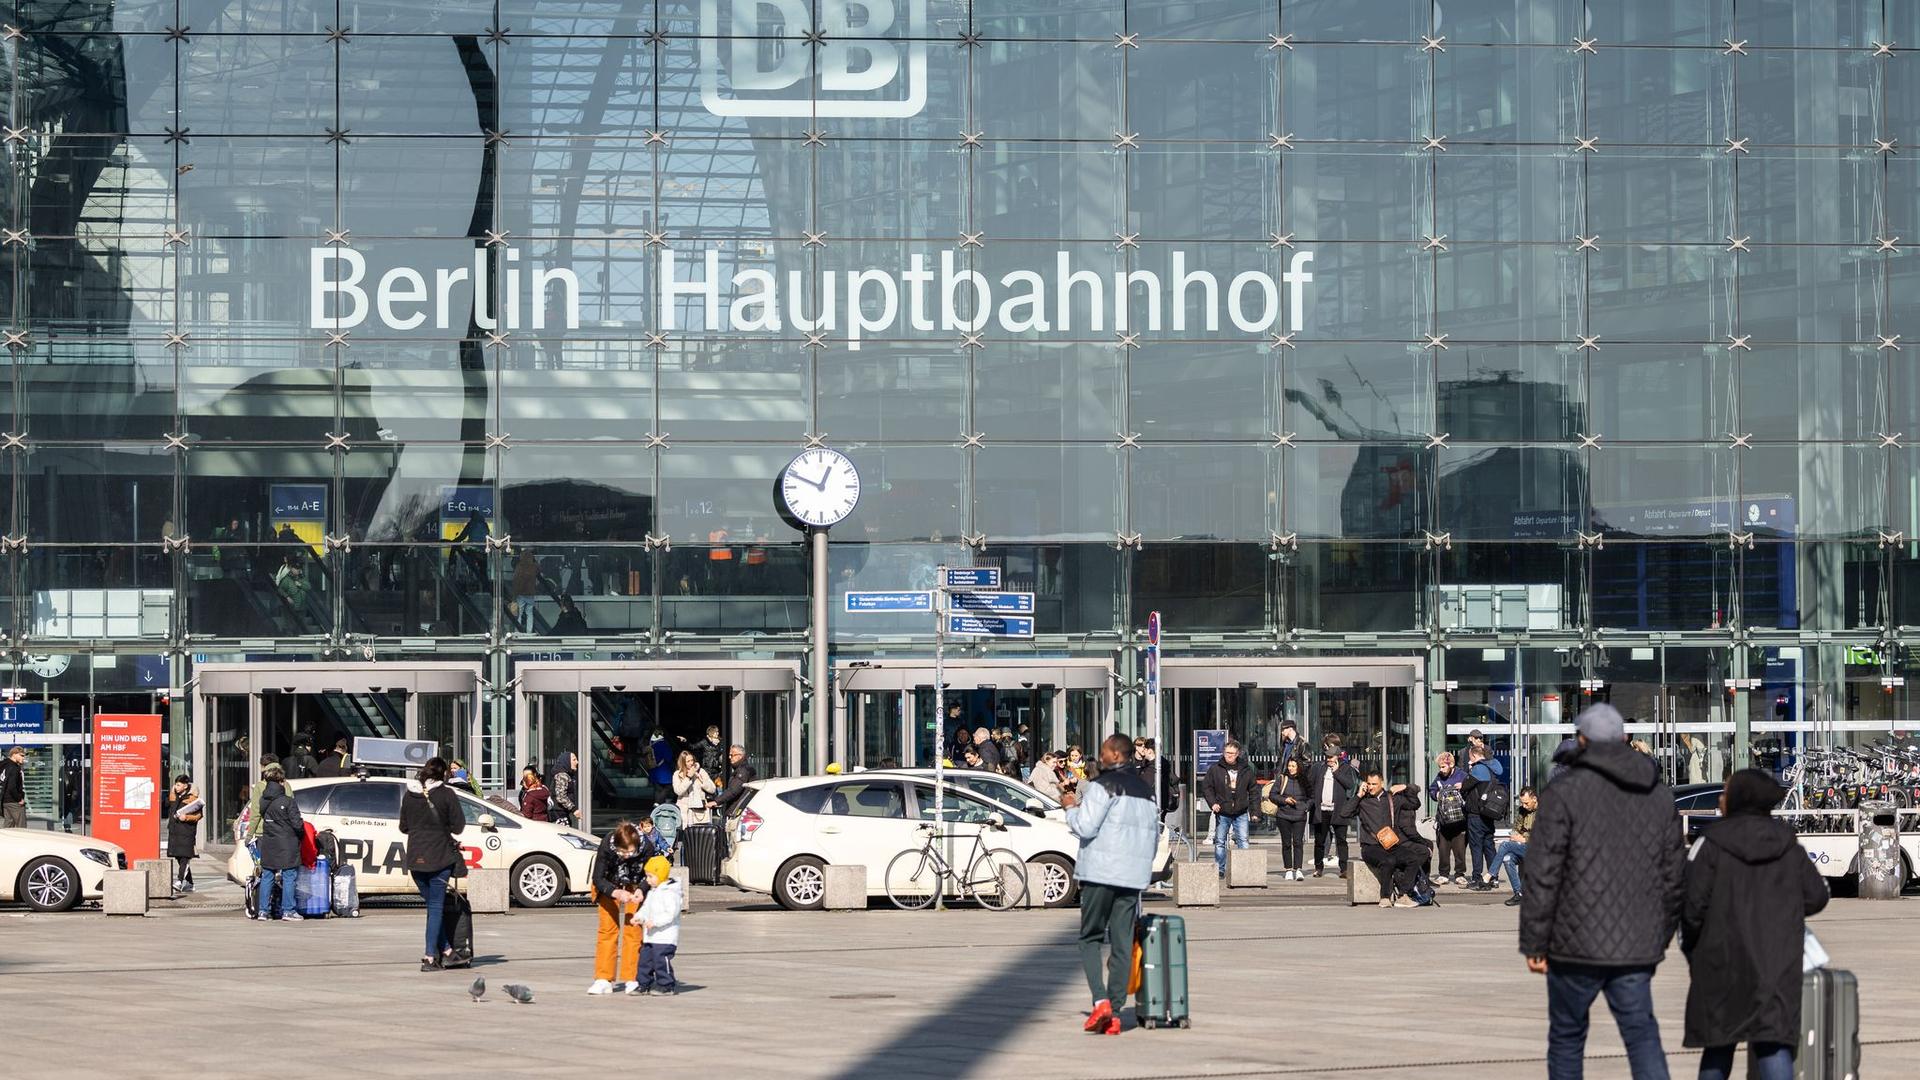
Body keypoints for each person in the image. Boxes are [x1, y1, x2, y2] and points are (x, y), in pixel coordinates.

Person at [1520, 703, 1683, 1080]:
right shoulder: (1658, 795)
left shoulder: (1563, 792)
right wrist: (1658, 935)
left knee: (1566, 1037)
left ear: (1581, 740)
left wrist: (1535, 942)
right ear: (1626, 739)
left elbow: (1543, 872)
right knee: (1642, 1036)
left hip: (1572, 944)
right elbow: (1674, 876)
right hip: (1634, 944)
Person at [1681, 770, 1830, 1080]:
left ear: (1737, 799)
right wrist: (1782, 913)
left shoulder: (1710, 844)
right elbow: (1816, 896)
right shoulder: (1788, 845)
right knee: (1772, 1044)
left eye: (1725, 793)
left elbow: (1691, 907)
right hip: (1775, 962)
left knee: (1718, 1047)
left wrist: (1694, 952)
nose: (1720, 799)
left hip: (1721, 963)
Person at [1061, 734, 1160, 1036]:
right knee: (1121, 942)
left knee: (1090, 937)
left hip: (1100, 873)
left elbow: (1085, 826)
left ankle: (1101, 1001)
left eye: (1104, 750)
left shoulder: (1101, 787)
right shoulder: (1146, 792)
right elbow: (1153, 839)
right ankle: (1115, 1014)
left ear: (1116, 754)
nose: (1100, 755)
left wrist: (1069, 807)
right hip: (1131, 877)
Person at [399, 757, 468, 971]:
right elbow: (458, 827)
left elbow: (403, 827)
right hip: (439, 857)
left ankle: (447, 951)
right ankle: (430, 957)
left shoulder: (410, 795)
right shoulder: (447, 794)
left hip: (415, 859)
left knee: (433, 907)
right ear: (443, 774)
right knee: (436, 907)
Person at [1350, 767, 1430, 907]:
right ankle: (1385, 897)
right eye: (1369, 783)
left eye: (1374, 784)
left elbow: (1415, 804)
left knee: (1413, 858)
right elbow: (1344, 814)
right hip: (1370, 847)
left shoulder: (1392, 799)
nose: (1371, 787)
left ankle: (1403, 894)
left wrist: (1406, 787)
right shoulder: (1363, 801)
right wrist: (1358, 795)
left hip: (1390, 844)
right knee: (1389, 860)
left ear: (1381, 783)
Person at [587, 821, 648, 995]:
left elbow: (650, 874)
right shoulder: (607, 843)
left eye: (630, 851)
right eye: (622, 851)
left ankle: (632, 978)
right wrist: (615, 892)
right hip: (609, 884)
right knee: (607, 930)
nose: (626, 856)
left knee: (634, 929)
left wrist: (641, 891)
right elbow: (597, 877)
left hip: (635, 884)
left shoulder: (647, 847)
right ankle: (603, 979)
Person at [255, 763, 305, 922]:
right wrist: (301, 835)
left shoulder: (263, 800)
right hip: (287, 842)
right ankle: (288, 911)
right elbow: (297, 824)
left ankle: (263, 911)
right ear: (281, 781)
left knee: (267, 875)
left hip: (269, 841)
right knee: (289, 875)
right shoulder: (288, 801)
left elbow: (261, 816)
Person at [1200, 740, 1256, 878]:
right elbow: (1207, 787)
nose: (1229, 756)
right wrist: (1213, 803)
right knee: (1220, 841)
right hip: (1223, 811)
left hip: (1241, 811)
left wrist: (1255, 812)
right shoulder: (1215, 769)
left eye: (1232, 753)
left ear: (1237, 754)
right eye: (1227, 753)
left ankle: (1244, 869)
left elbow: (1254, 791)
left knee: (1243, 840)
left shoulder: (1246, 769)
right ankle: (1220, 869)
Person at [1306, 737, 1359, 878]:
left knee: (1341, 841)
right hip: (1321, 810)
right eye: (1327, 757)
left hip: (1339, 810)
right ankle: (1318, 868)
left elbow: (1350, 785)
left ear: (1337, 756)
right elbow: (1309, 784)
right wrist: (1311, 801)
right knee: (1319, 841)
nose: (1329, 759)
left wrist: (1336, 772)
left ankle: (1344, 869)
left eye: (1331, 757)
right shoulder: (1318, 767)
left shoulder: (1345, 768)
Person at [635, 855, 683, 995]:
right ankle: (644, 983)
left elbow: (671, 913)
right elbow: (646, 908)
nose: (647, 880)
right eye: (647, 876)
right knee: (645, 961)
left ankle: (666, 984)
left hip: (665, 937)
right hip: (650, 936)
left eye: (650, 876)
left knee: (661, 961)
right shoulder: (653, 891)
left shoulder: (670, 892)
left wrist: (655, 922)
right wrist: (639, 917)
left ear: (660, 875)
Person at [1462, 743, 1507, 890]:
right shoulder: (1492, 768)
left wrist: (1469, 769)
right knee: (1489, 846)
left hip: (1476, 814)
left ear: (1474, 756)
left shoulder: (1478, 769)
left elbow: (1465, 786)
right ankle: (1493, 877)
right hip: (1488, 814)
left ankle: (1476, 878)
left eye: (1470, 757)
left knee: (1476, 846)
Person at [1427, 751, 1469, 885]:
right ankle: (1443, 874)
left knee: (1459, 849)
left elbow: (1471, 790)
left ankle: (1459, 874)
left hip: (1459, 820)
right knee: (1443, 849)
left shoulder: (1462, 775)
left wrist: (1463, 787)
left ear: (1451, 764)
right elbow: (1432, 790)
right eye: (1440, 767)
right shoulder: (1439, 777)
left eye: (1443, 767)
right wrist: (1436, 793)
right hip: (1444, 820)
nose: (1441, 770)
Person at [1497, 786, 1539, 907]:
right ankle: (1519, 894)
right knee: (1507, 858)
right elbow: (1516, 828)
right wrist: (1515, 835)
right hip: (1523, 847)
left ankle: (1491, 874)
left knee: (1505, 846)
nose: (1524, 806)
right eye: (1522, 803)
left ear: (1534, 799)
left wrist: (1524, 839)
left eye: (1526, 803)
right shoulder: (1522, 810)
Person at [1270, 756, 1309, 880]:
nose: (1291, 768)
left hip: (1299, 815)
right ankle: (1288, 869)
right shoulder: (1282, 779)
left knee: (1298, 842)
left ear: (1299, 768)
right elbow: (1272, 795)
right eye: (1289, 766)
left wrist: (1305, 807)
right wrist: (1284, 800)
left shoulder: (1305, 780)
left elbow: (1312, 796)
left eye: (1293, 766)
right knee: (1286, 843)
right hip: (1284, 814)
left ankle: (1298, 869)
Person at [165, 775, 202, 893]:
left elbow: (198, 815)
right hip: (175, 831)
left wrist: (186, 817)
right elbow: (166, 804)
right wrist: (172, 792)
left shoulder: (193, 798)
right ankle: (190, 883)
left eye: (179, 785)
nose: (176, 787)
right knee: (179, 857)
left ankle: (180, 881)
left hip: (187, 832)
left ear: (185, 786)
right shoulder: (174, 796)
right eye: (175, 784)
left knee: (185, 857)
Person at [1132, 737, 1180, 825]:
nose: (1143, 751)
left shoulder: (1155, 766)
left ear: (1150, 751)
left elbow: (1144, 785)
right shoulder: (1151, 763)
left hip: (1156, 805)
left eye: (1145, 748)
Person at [672, 750, 717, 825]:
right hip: (684, 811)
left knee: (699, 835)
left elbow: (712, 789)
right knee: (685, 835)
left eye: (692, 760)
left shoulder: (701, 771)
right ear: (683, 763)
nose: (691, 763)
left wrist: (701, 780)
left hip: (699, 811)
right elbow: (678, 791)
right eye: (688, 761)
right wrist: (688, 777)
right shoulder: (677, 774)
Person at [548, 752, 579, 828]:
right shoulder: (562, 775)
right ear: (567, 761)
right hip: (559, 814)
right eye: (574, 760)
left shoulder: (565, 775)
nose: (577, 762)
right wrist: (574, 809)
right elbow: (561, 796)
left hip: (560, 813)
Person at [1, 745, 26, 828]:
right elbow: (12, 787)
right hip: (14, 802)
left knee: (8, 828)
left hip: (5, 801)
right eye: (21, 755)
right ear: (14, 754)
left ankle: (4, 841)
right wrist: (19, 799)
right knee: (22, 827)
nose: (23, 758)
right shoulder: (14, 768)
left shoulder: (4, 765)